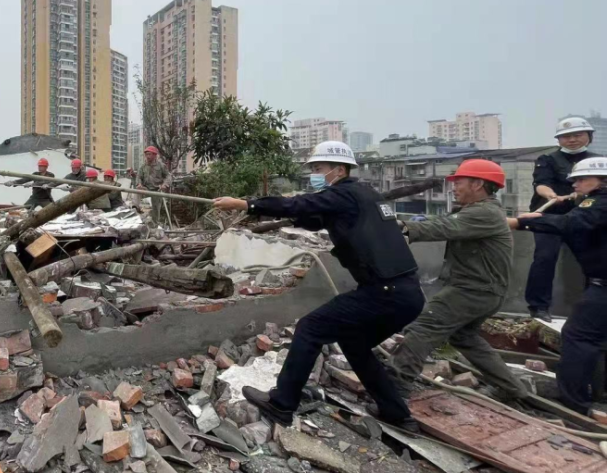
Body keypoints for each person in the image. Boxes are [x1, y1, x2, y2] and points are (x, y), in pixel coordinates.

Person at [214, 141, 424, 430]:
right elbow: (312, 216)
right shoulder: (364, 195)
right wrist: (281, 212)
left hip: (384, 292)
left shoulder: (345, 194)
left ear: (339, 170)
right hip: (407, 294)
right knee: (355, 343)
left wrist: (247, 204)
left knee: (310, 328)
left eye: (319, 169)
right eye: (313, 169)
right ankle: (397, 414)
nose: (315, 174)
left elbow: (302, 204)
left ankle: (282, 403)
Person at [389, 160, 527, 401]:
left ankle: (393, 395)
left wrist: (399, 228)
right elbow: (443, 222)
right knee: (464, 337)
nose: (454, 187)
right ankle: (511, 389)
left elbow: (444, 227)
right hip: (484, 291)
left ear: (478, 184)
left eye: (459, 182)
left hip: (473, 290)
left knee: (422, 329)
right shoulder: (479, 211)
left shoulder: (484, 213)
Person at [509, 157, 607, 415]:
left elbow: (570, 224)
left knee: (578, 336)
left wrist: (522, 222)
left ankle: (575, 405)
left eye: (582, 179)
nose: (575, 184)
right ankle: (600, 394)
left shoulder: (599, 202)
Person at [524, 117, 597, 322]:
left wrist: (582, 195)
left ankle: (591, 308)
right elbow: (541, 184)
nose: (572, 140)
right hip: (550, 216)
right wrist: (551, 196)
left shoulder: (598, 161)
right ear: (559, 140)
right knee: (545, 257)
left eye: (577, 135)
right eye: (566, 136)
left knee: (593, 261)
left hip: (584, 216)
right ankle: (538, 307)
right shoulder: (547, 159)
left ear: (589, 137)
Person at [137, 146, 172, 224]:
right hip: (146, 191)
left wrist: (165, 184)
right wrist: (139, 184)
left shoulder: (161, 165)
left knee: (155, 212)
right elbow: (139, 177)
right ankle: (146, 228)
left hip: (156, 191)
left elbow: (168, 175)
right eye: (146, 155)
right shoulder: (143, 166)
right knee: (145, 212)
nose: (147, 156)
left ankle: (155, 227)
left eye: (149, 154)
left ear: (154, 155)